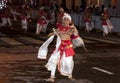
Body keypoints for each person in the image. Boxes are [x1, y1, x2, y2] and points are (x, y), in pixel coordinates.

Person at [38, 14, 75, 82]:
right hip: (60, 46)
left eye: (67, 19)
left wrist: (59, 32)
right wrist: (53, 33)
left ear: (69, 21)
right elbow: (53, 33)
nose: (65, 21)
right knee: (53, 59)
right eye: (64, 19)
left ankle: (70, 75)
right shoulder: (60, 27)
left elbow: (70, 33)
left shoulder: (72, 28)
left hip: (67, 47)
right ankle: (52, 77)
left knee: (68, 62)